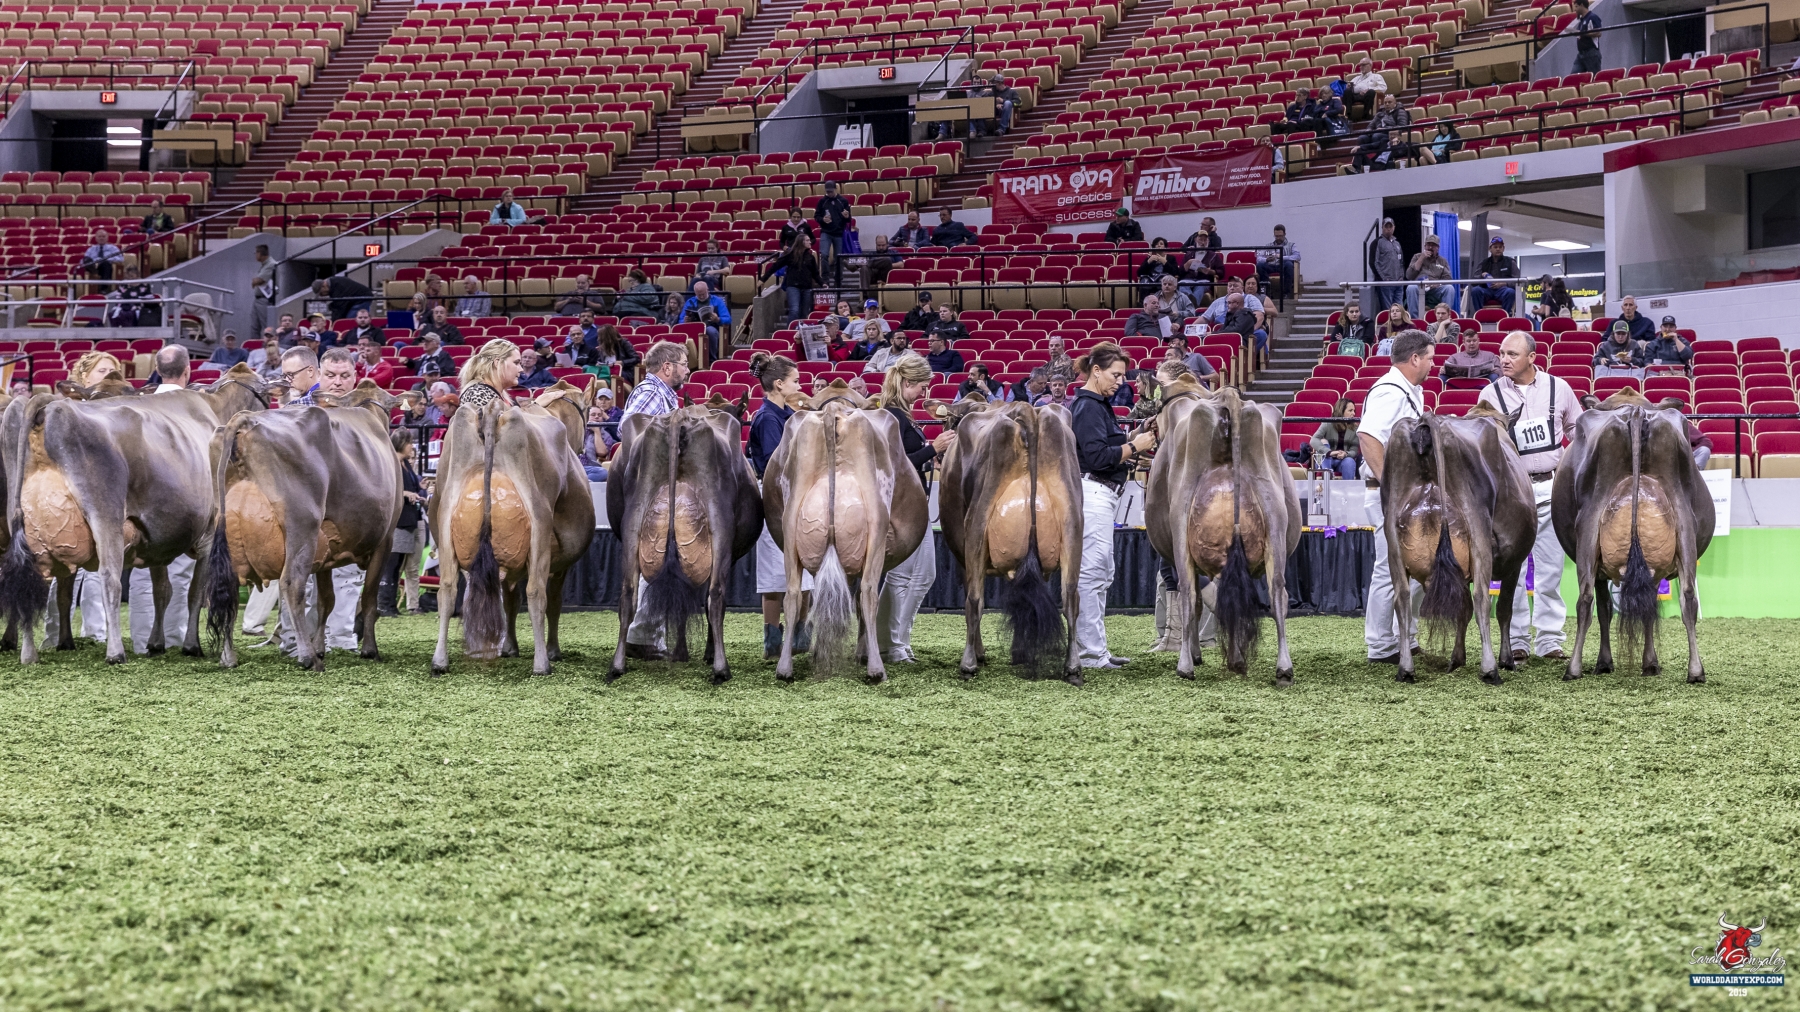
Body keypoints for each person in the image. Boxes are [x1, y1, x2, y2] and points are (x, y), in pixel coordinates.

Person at [1477, 331, 1583, 663]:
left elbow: (1578, 431)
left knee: (1551, 568)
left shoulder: (1559, 388)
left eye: (1512, 354)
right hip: (1510, 495)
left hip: (1551, 487)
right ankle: (1518, 639)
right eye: (1501, 354)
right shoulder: (1490, 394)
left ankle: (1550, 640)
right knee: (1515, 571)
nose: (1504, 360)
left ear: (1532, 357)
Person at [1070, 343, 1156, 675]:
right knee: (1092, 574)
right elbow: (1097, 457)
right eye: (1115, 374)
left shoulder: (1096, 405)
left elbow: (1107, 447)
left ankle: (1096, 649)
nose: (1121, 381)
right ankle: (1090, 653)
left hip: (1100, 493)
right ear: (1096, 371)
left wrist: (1136, 436)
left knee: (1101, 573)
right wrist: (1135, 445)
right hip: (1093, 491)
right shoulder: (1088, 407)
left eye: (1122, 375)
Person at [1358, 329, 1433, 664]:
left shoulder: (1409, 391)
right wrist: (1390, 487)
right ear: (1415, 358)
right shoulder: (1390, 391)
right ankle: (1380, 644)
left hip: (1406, 495)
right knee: (1389, 569)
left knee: (1414, 567)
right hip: (1389, 495)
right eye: (1429, 358)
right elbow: (1368, 437)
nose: (1432, 364)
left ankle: (1405, 636)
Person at [872, 352, 951, 663]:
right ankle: (888, 644)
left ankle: (896, 641)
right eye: (921, 386)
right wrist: (934, 448)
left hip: (911, 503)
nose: (924, 393)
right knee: (902, 575)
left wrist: (931, 455)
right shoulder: (892, 416)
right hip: (900, 506)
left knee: (921, 574)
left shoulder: (898, 415)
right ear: (906, 383)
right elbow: (894, 464)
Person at [740, 350, 818, 657]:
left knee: (805, 571)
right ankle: (773, 638)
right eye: (796, 381)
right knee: (775, 576)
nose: (800, 386)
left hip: (798, 495)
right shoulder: (768, 418)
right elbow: (779, 465)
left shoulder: (786, 415)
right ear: (779, 385)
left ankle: (799, 635)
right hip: (776, 499)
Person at [123, 345, 200, 655]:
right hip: (183, 499)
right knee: (180, 571)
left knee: (141, 570)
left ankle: (143, 640)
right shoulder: (194, 407)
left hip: (139, 499)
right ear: (187, 371)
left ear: (156, 371)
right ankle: (173, 636)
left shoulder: (138, 405)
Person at [618, 340, 691, 658]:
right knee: (657, 556)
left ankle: (648, 635)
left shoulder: (664, 394)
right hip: (653, 487)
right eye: (684, 363)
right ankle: (641, 635)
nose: (687, 369)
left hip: (660, 485)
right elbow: (629, 428)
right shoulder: (650, 391)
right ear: (667, 367)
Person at [376, 429, 426, 618]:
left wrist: (418, 491)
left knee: (397, 566)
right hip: (397, 521)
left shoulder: (405, 464)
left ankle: (391, 605)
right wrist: (405, 494)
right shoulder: (391, 462)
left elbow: (406, 487)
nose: (412, 446)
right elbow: (385, 488)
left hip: (409, 519)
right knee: (391, 564)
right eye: (409, 442)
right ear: (401, 443)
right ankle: (384, 604)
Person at [764, 234, 822, 326]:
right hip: (793, 287)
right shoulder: (790, 255)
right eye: (807, 240)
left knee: (804, 313)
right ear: (801, 242)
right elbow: (775, 266)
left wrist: (823, 284)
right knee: (794, 310)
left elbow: (815, 274)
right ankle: (790, 331)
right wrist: (763, 279)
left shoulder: (811, 257)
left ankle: (802, 331)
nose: (810, 242)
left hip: (807, 288)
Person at [1405, 234, 1456, 315]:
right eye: (1428, 245)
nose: (1430, 247)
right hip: (1419, 287)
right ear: (1425, 246)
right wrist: (1421, 258)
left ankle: (1445, 316)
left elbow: (1448, 278)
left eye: (1433, 245)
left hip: (1435, 288)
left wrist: (1438, 284)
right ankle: (1415, 318)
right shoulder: (1417, 256)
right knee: (1411, 287)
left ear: (1438, 248)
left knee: (1449, 288)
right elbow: (1409, 275)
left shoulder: (1442, 261)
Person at [814, 179, 853, 286]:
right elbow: (816, 216)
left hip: (839, 233)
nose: (829, 193)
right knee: (824, 255)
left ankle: (838, 280)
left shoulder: (843, 201)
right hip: (826, 232)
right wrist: (822, 219)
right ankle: (825, 279)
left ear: (835, 189)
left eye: (831, 191)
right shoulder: (822, 201)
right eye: (828, 192)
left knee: (838, 258)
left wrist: (847, 216)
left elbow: (849, 219)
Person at [1311, 397, 1360, 479]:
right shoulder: (1327, 423)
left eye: (1354, 411)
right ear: (1341, 411)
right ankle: (1328, 476)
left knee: (1349, 461)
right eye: (1350, 410)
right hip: (1326, 459)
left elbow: (1354, 450)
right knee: (1323, 441)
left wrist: (1345, 454)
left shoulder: (1355, 428)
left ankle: (1347, 486)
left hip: (1343, 460)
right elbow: (1313, 440)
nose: (1354, 413)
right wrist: (1329, 452)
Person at [681, 280, 731, 360]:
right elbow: (680, 321)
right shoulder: (690, 302)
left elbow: (728, 319)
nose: (701, 297)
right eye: (699, 295)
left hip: (711, 326)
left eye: (703, 294)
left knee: (710, 331)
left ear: (707, 290)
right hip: (694, 327)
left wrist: (718, 319)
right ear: (695, 293)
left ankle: (711, 359)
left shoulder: (717, 301)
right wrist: (685, 321)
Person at [1179, 217, 1224, 303]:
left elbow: (1221, 272)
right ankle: (1192, 303)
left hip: (1203, 279)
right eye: (1200, 240)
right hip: (1188, 279)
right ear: (1195, 240)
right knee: (1182, 286)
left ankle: (1190, 305)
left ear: (1208, 241)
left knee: (1200, 287)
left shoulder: (1213, 255)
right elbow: (1180, 272)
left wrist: (1210, 271)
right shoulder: (1188, 254)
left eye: (1205, 240)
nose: (1202, 243)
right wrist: (1187, 264)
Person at [1469, 236, 1519, 313]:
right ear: (1490, 249)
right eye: (1495, 247)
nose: (1498, 249)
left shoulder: (1510, 262)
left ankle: (1505, 316)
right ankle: (1479, 315)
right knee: (1476, 290)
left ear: (1503, 248)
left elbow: (1517, 280)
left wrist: (1504, 283)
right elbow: (1474, 281)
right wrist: (1482, 276)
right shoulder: (1483, 263)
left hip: (1503, 290)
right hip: (1486, 290)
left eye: (1500, 247)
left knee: (1510, 292)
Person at [1254, 223, 1300, 298]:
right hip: (1271, 265)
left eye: (1280, 236)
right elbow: (1258, 258)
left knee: (1289, 265)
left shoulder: (1291, 245)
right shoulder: (1268, 246)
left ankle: (1286, 293)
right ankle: (1267, 292)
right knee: (1260, 265)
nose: (1278, 238)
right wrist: (1266, 259)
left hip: (1283, 266)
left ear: (1285, 234)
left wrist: (1282, 257)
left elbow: (1297, 256)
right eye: (1276, 236)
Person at [1370, 218, 1405, 311]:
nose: (1388, 229)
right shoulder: (1377, 242)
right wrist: (1383, 279)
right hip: (1386, 283)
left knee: (1399, 309)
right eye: (1386, 226)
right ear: (1382, 228)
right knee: (1388, 310)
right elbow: (1374, 262)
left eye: (1390, 226)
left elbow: (1401, 262)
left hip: (1398, 282)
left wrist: (1401, 276)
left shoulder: (1397, 243)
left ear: (1394, 228)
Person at [1346, 55, 1387, 120]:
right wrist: (1348, 87)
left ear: (1370, 65)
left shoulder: (1376, 76)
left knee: (1371, 92)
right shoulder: (1356, 78)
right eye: (1360, 65)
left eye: (1363, 65)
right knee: (1347, 91)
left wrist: (1368, 89)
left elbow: (1383, 88)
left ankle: (1366, 115)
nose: (1361, 67)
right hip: (1356, 96)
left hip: (1367, 96)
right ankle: (1348, 116)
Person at [250, 243, 275, 335]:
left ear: (260, 253)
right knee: (254, 326)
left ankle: (268, 343)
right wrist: (255, 281)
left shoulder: (271, 264)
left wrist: (255, 281)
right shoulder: (264, 264)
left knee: (266, 327)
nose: (255, 255)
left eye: (256, 253)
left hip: (265, 299)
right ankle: (253, 344)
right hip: (258, 299)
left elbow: (259, 280)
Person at [1571, 0, 1602, 75]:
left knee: (1595, 76)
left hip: (1591, 52)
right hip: (1581, 53)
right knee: (1573, 77)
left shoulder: (1592, 17)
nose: (1575, 9)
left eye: (1576, 6)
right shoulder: (1581, 20)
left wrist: (1583, 33)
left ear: (1582, 5)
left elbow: (1598, 33)